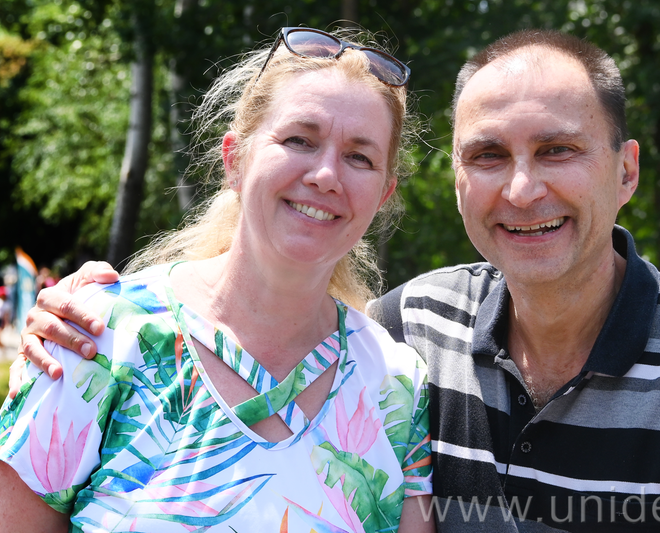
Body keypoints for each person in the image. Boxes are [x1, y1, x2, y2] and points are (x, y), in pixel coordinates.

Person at [15, 28, 660, 532]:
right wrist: (80, 309)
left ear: (626, 171)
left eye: (558, 150)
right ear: (234, 157)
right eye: (488, 155)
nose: (522, 188)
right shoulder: (418, 332)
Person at [1, 26, 434, 532]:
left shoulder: (397, 385)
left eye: (359, 157)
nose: (326, 175)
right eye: (299, 140)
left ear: (383, 196)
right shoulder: (96, 338)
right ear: (235, 160)